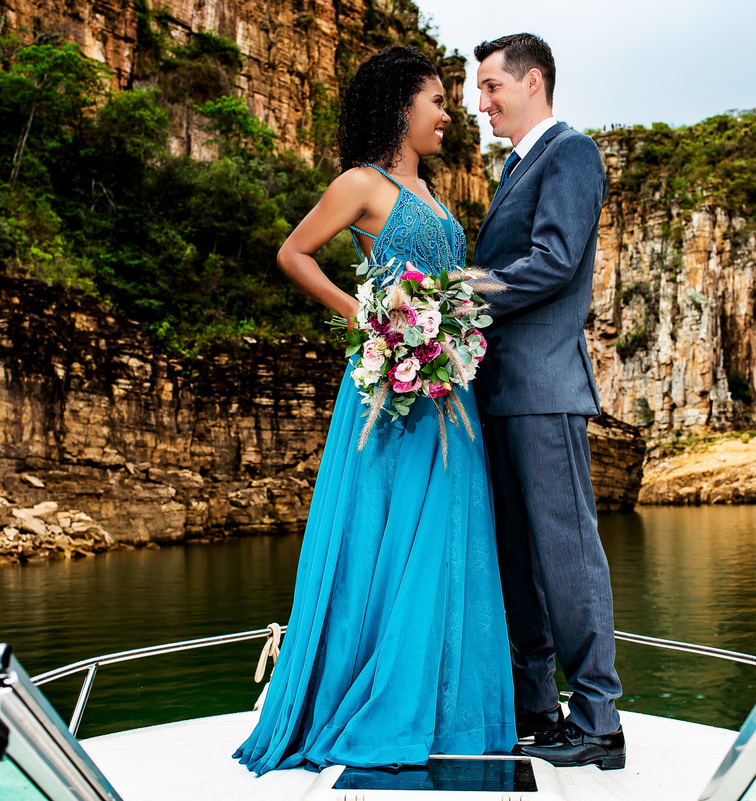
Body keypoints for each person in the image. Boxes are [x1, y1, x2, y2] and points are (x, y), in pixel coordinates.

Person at [233, 45, 516, 775]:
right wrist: (366, 315)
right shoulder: (361, 184)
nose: (449, 116)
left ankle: (443, 704)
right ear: (402, 108)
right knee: (383, 541)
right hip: (387, 394)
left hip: (448, 393)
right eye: (437, 102)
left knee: (446, 542)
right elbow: (294, 253)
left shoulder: (434, 198)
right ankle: (374, 698)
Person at [471, 33, 626, 770]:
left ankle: (599, 718)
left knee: (567, 553)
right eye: (477, 90)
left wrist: (461, 293)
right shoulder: (514, 167)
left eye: (491, 87)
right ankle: (535, 705)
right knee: (516, 557)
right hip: (497, 392)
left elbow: (556, 261)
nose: (482, 102)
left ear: (532, 82)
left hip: (543, 388)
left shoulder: (571, 152)